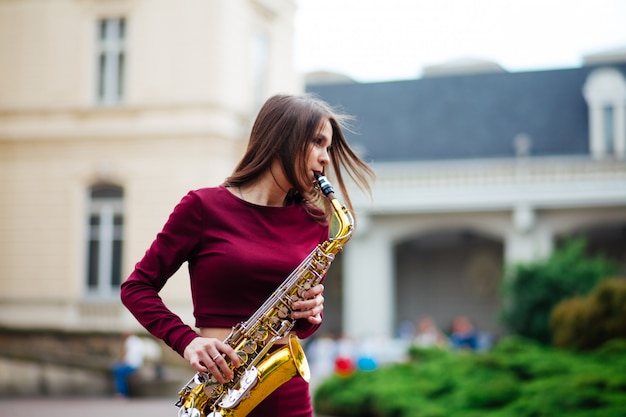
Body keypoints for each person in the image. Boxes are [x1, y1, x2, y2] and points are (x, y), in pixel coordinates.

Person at [120, 94, 374, 417]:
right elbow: (136, 287)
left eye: (329, 148)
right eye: (319, 144)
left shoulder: (316, 222)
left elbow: (301, 326)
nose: (325, 158)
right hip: (218, 393)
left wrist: (312, 313)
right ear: (285, 139)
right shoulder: (202, 207)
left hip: (287, 394)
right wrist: (187, 341)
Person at [111, 333, 145, 397]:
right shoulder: (138, 340)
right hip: (138, 365)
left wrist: (119, 362)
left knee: (118, 371)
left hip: (131, 365)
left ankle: (122, 393)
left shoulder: (129, 341)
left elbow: (125, 355)